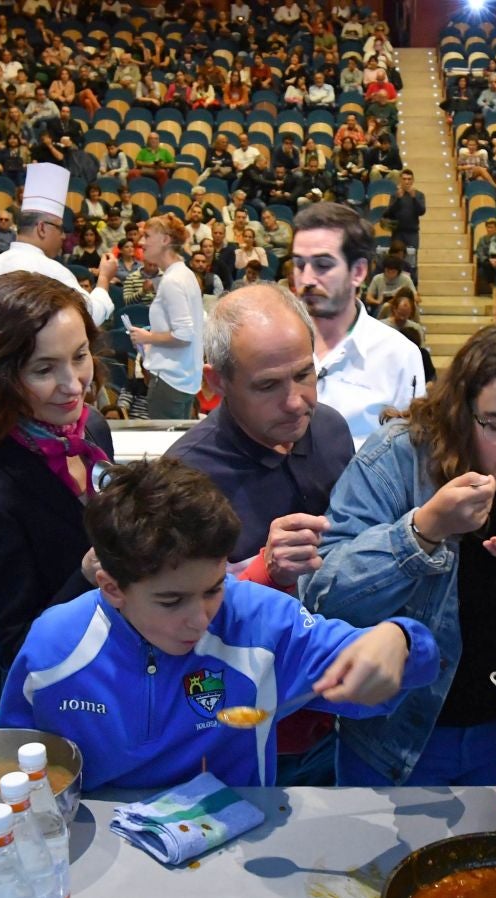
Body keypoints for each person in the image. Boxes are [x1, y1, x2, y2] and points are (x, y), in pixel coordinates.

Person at [0, 457, 440, 791]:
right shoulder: (53, 649)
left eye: (213, 588)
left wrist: (400, 638)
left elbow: (412, 663)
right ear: (112, 587)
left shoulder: (259, 621)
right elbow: (18, 770)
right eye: (171, 600)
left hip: (233, 856)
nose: (199, 619)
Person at [303, 325, 496, 786]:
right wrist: (423, 531)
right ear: (462, 412)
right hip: (394, 735)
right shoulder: (399, 456)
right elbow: (323, 596)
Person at [166, 284, 357, 786]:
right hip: (245, 729)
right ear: (217, 381)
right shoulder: (184, 476)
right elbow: (168, 624)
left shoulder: (332, 431)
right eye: (268, 385)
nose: (297, 402)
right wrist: (260, 572)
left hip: (344, 709)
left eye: (305, 373)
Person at [0, 273, 114, 679]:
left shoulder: (92, 431)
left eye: (80, 356)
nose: (73, 385)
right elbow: (18, 650)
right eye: (44, 369)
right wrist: (88, 575)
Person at [291, 203, 424, 447]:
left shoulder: (400, 355)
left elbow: (410, 457)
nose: (307, 279)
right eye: (300, 265)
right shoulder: (276, 346)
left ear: (359, 271)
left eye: (323, 265)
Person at [0, 163, 117, 326]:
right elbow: (90, 316)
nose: (63, 236)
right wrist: (104, 278)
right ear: (42, 228)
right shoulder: (51, 272)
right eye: (60, 228)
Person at [127, 214, 205, 419]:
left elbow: (184, 335)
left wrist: (147, 337)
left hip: (170, 382)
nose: (141, 242)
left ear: (165, 240)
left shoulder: (172, 280)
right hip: (183, 380)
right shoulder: (184, 274)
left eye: (147, 235)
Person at [386, 169, 426, 263]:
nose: (407, 181)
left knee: (411, 261)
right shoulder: (395, 195)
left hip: (412, 233)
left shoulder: (419, 195)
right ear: (400, 180)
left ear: (413, 180)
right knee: (395, 261)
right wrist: (398, 200)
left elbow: (422, 211)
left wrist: (414, 198)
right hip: (397, 233)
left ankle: (413, 278)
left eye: (409, 179)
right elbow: (388, 213)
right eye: (404, 179)